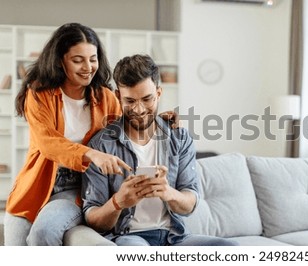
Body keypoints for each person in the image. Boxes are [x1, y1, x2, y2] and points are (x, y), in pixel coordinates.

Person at [4, 23, 177, 246]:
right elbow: (47, 143)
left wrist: (158, 118)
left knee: (43, 232)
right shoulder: (39, 93)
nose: (88, 67)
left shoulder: (104, 97)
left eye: (92, 59)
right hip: (37, 182)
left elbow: (128, 124)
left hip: (79, 187)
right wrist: (92, 154)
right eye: (78, 60)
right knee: (14, 247)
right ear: (60, 61)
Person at [82, 54, 238, 246]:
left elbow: (190, 202)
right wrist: (118, 202)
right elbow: (93, 219)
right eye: (130, 101)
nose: (139, 110)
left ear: (159, 93)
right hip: (129, 237)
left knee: (230, 249)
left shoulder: (179, 138)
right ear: (118, 97)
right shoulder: (101, 146)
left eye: (147, 99)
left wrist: (168, 192)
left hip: (175, 237)